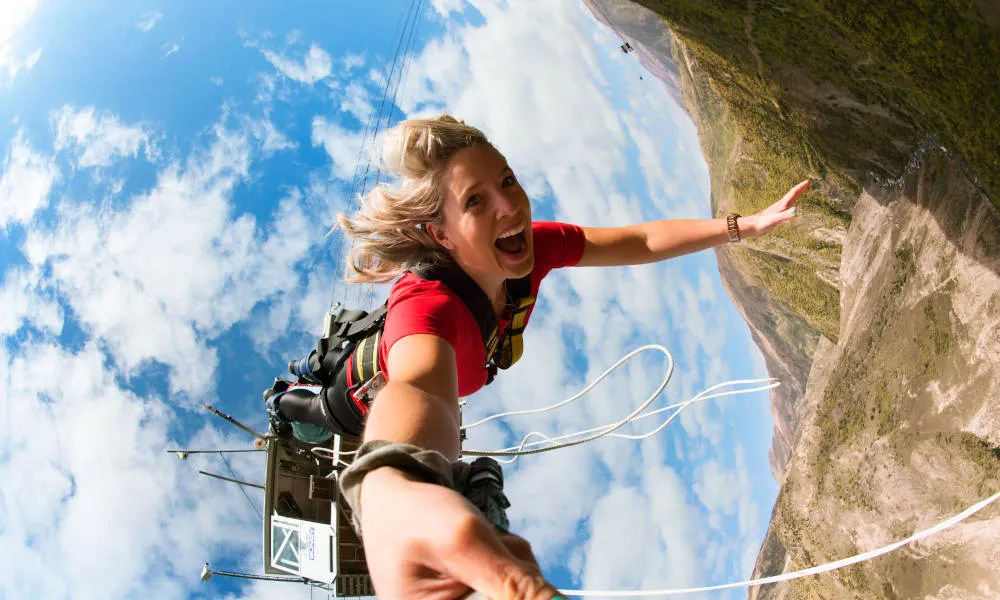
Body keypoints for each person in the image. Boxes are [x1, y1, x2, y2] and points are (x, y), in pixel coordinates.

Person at [300, 115, 808, 599]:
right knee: (314, 417)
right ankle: (291, 405)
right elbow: (418, 386)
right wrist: (393, 482)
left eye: (508, 181)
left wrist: (745, 227)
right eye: (476, 201)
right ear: (442, 235)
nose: (509, 206)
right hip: (355, 394)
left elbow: (641, 240)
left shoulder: (532, 253)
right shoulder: (426, 304)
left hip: (409, 388)